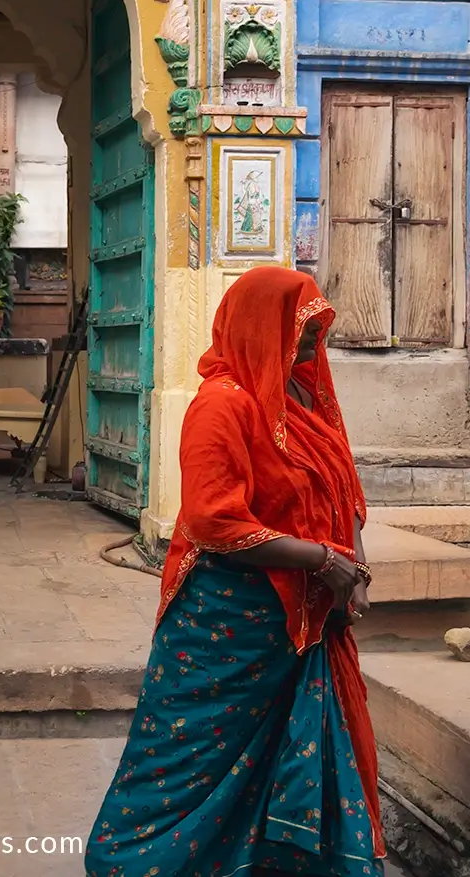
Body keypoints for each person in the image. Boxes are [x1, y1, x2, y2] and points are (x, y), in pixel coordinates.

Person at [87, 267, 383, 877]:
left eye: (315, 333)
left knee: (284, 753)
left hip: (301, 621)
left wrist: (351, 569)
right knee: (189, 760)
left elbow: (341, 486)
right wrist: (322, 561)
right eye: (300, 332)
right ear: (258, 328)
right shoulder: (221, 407)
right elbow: (214, 521)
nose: (310, 347)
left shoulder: (302, 397)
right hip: (226, 626)